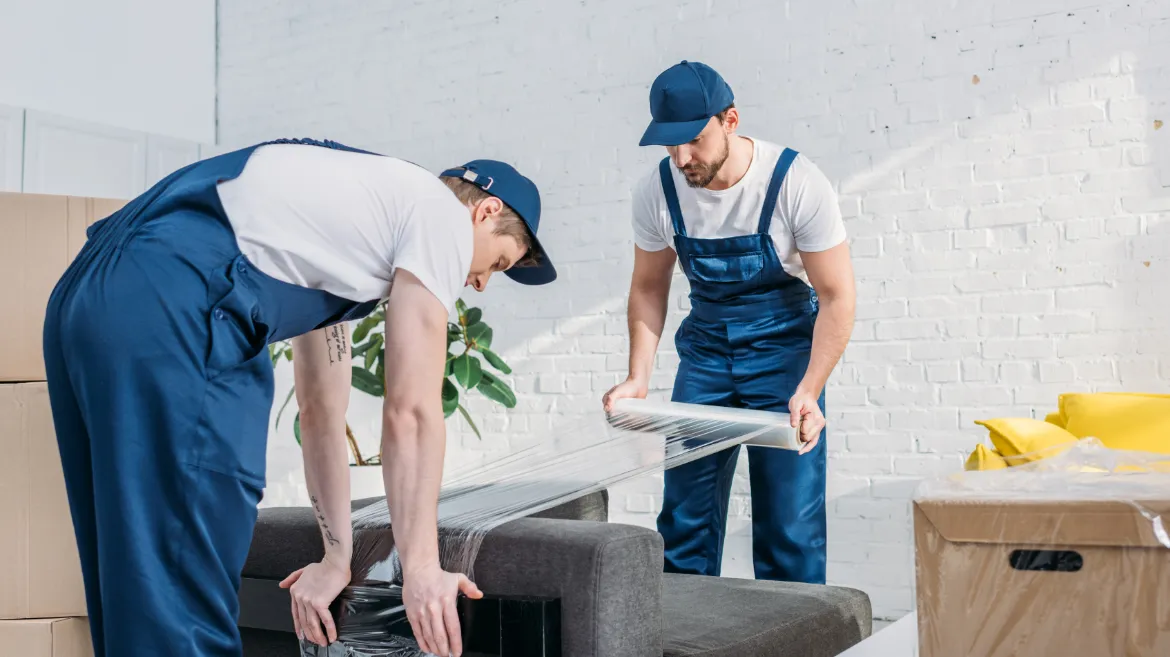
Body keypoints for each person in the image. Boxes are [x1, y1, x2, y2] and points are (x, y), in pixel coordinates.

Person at [41, 137, 556, 657]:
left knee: (137, 575)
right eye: (499, 262)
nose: (483, 283)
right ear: (485, 210)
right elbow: (413, 412)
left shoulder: (353, 219)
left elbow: (320, 414)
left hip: (92, 293)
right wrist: (421, 570)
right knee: (184, 576)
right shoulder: (439, 214)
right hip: (175, 303)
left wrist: (337, 558)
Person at [603, 61, 856, 585]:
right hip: (707, 356)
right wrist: (637, 377)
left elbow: (836, 296)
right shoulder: (658, 190)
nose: (681, 158)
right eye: (668, 145)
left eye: (692, 141)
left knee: (790, 524)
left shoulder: (794, 182)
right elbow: (649, 286)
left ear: (731, 120)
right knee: (684, 519)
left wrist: (810, 389)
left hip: (786, 356)